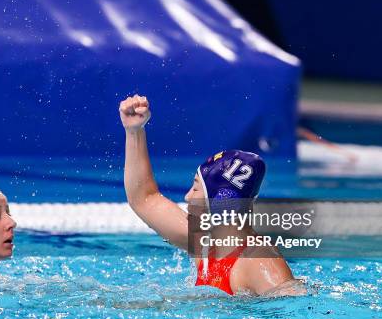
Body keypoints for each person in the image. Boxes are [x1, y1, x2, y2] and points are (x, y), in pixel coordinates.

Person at [120, 95, 297, 296]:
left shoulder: (259, 261)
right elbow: (144, 198)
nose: (187, 197)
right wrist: (134, 131)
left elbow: (297, 309)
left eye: (196, 188)